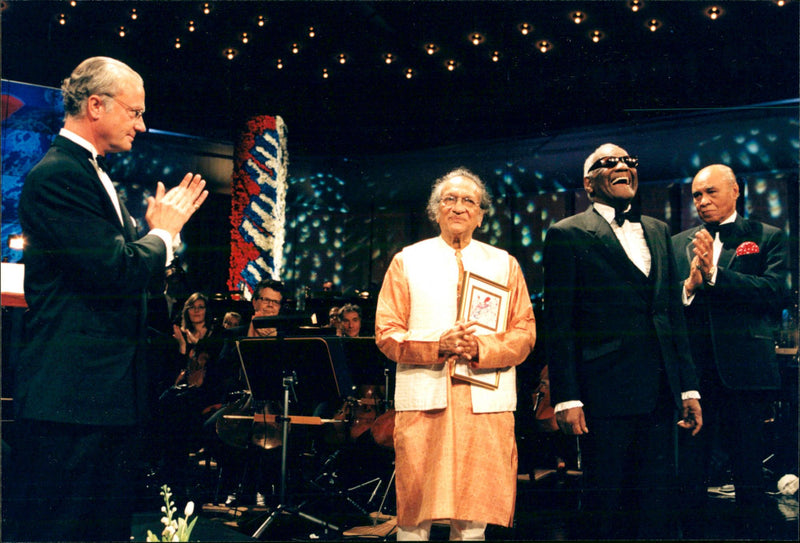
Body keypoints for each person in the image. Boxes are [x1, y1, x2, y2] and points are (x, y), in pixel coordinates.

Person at [5, 56, 208, 541]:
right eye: (134, 112)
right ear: (96, 105)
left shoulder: (89, 173)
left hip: (102, 397)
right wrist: (162, 235)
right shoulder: (59, 175)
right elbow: (116, 270)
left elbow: (128, 275)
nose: (142, 124)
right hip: (72, 401)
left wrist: (159, 240)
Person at [541, 143, 702, 539]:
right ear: (588, 183)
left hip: (660, 392)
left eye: (629, 161)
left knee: (656, 504)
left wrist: (688, 387)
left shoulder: (659, 230)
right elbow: (559, 322)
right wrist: (566, 396)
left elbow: (670, 314)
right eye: (608, 162)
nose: (622, 166)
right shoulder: (567, 233)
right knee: (604, 504)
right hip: (602, 393)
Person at [375, 168, 536, 541]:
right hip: (425, 401)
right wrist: (439, 346)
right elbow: (386, 333)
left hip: (485, 403)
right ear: (436, 211)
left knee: (473, 515)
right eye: (449, 199)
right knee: (416, 513)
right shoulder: (408, 260)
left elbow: (524, 333)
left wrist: (481, 347)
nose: (459, 207)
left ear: (481, 214)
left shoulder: (504, 264)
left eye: (469, 201)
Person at [672, 164, 789, 538]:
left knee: (749, 475)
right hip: (694, 379)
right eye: (696, 195)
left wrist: (717, 276)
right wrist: (689, 286)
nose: (702, 201)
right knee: (690, 474)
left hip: (746, 374)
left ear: (736, 191)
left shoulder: (766, 237)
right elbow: (665, 305)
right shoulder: (678, 242)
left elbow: (773, 292)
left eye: (711, 192)